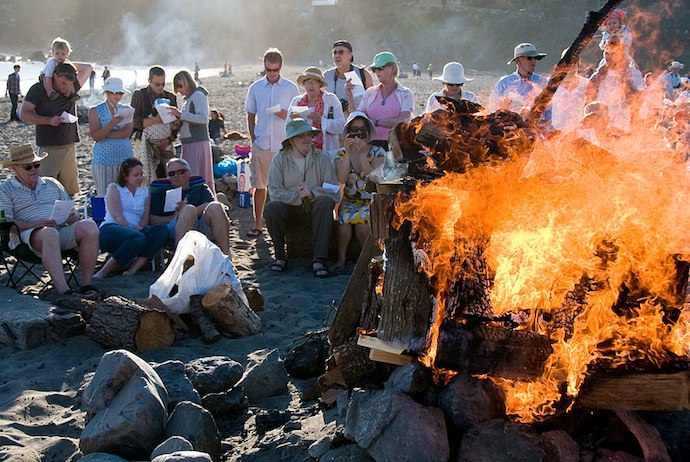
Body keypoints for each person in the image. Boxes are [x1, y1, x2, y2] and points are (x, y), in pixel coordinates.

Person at [0, 144, 99, 296]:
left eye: (36, 165)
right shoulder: (6, 189)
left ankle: (87, 285)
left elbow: (70, 208)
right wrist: (36, 224)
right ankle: (64, 290)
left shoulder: (52, 183)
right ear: (14, 168)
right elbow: (5, 222)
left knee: (89, 226)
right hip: (28, 234)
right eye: (28, 167)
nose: (33, 170)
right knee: (49, 233)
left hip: (58, 228)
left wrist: (72, 216)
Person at [264, 118, 339, 277]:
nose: (307, 139)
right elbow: (274, 191)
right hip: (289, 210)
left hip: (314, 210)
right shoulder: (279, 159)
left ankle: (319, 259)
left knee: (325, 202)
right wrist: (297, 196)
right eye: (301, 136)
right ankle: (280, 257)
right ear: (292, 140)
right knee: (271, 208)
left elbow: (334, 191)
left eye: (309, 135)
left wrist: (313, 194)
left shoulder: (322, 158)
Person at [245, 48, 300, 238]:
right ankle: (258, 223)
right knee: (259, 186)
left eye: (275, 70)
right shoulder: (256, 88)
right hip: (262, 143)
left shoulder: (291, 88)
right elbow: (250, 116)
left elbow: (296, 116)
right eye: (268, 70)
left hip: (283, 145)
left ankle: (285, 225)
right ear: (264, 67)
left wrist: (281, 113)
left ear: (281, 67)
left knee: (285, 187)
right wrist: (253, 140)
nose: (272, 74)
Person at [20, 61, 93, 196]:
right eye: (63, 83)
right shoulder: (39, 89)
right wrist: (48, 120)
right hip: (48, 147)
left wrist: (60, 61)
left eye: (70, 84)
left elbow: (88, 67)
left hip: (69, 145)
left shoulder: (71, 87)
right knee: (46, 190)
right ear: (54, 76)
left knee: (71, 191)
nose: (67, 88)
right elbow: (23, 114)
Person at [94, 158, 168, 278]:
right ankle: (103, 272)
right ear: (125, 176)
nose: (140, 178)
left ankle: (134, 268)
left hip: (137, 231)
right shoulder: (115, 188)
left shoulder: (145, 192)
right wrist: (133, 229)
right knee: (138, 238)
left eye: (141, 174)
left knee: (161, 230)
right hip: (112, 228)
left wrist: (140, 227)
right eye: (136, 175)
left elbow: (145, 217)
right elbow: (117, 215)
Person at [333, 112, 385, 272]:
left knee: (362, 223)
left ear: (368, 132)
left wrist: (362, 154)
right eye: (354, 129)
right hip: (350, 200)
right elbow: (341, 179)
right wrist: (349, 154)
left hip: (371, 199)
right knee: (344, 221)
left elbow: (373, 178)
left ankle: (366, 260)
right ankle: (341, 258)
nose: (358, 133)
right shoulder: (341, 154)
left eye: (362, 129)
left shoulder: (378, 152)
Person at [149, 158, 231, 255]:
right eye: (172, 173)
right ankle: (180, 259)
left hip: (200, 225)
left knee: (216, 206)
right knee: (188, 210)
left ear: (188, 173)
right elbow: (152, 220)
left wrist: (191, 211)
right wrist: (177, 216)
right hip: (173, 228)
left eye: (181, 172)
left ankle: (226, 257)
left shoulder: (200, 187)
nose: (176, 176)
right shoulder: (162, 192)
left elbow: (210, 204)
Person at [167, 70, 215, 195]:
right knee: (189, 176)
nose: (179, 90)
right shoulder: (188, 99)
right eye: (177, 87)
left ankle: (205, 202)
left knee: (196, 175)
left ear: (187, 83)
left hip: (197, 142)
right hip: (189, 142)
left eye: (180, 86)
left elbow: (203, 118)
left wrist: (180, 115)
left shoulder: (198, 95)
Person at [131, 66, 178, 184]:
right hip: (143, 142)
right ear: (149, 81)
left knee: (167, 177)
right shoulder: (140, 95)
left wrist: (169, 139)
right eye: (157, 84)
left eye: (163, 84)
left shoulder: (170, 97)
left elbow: (177, 124)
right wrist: (156, 120)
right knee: (145, 180)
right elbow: (134, 122)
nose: (160, 87)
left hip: (166, 143)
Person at [357, 52, 414, 150]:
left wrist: (376, 122)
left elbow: (403, 121)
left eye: (380, 68)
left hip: (396, 146)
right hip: (370, 146)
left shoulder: (405, 93)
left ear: (392, 68)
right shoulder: (370, 93)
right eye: (375, 69)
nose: (377, 72)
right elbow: (359, 118)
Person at [88, 77, 135, 197]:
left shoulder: (127, 109)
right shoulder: (95, 111)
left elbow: (127, 133)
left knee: (127, 195)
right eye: (114, 93)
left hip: (125, 158)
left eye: (120, 93)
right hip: (104, 160)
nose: (118, 96)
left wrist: (105, 133)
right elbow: (96, 137)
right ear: (107, 93)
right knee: (105, 196)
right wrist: (111, 124)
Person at [585, 37, 643, 133]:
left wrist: (625, 80)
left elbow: (637, 100)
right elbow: (587, 92)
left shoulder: (632, 72)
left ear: (621, 54)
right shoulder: (601, 71)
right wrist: (598, 76)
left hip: (621, 124)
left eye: (613, 54)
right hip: (600, 122)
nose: (608, 57)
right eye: (606, 53)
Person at [288, 67, 345, 156]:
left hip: (326, 153)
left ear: (320, 84)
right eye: (307, 81)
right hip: (302, 153)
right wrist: (294, 122)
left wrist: (321, 121)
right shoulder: (296, 101)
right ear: (304, 84)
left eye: (314, 81)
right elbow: (287, 129)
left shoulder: (331, 99)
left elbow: (341, 126)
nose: (311, 84)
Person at [489, 43, 548, 115]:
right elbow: (493, 108)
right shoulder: (504, 83)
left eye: (535, 58)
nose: (533, 61)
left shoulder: (543, 82)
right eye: (529, 58)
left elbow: (551, 110)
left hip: (538, 125)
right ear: (517, 61)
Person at [324, 40, 374, 115]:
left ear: (350, 55)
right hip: (333, 120)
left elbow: (372, 100)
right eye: (334, 53)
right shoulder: (327, 76)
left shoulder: (362, 74)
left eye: (341, 52)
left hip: (357, 120)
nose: (337, 55)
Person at [41, 37, 72, 101]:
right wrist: (50, 89)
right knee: (45, 80)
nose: (60, 56)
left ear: (67, 54)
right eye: (57, 53)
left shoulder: (67, 62)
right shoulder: (52, 62)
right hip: (45, 75)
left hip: (57, 76)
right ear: (52, 53)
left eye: (63, 54)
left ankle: (71, 93)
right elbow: (48, 76)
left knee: (70, 79)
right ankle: (50, 93)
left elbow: (73, 71)